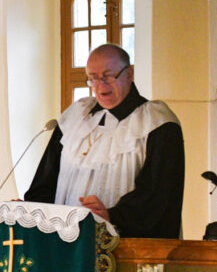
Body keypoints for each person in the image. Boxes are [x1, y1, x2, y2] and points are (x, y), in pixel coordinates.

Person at [24, 43, 185, 239]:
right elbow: (46, 181)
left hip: (125, 245)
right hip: (65, 243)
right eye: (92, 78)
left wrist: (112, 216)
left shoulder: (156, 122)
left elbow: (161, 195)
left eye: (108, 76)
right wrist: (27, 212)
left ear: (129, 73)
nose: (100, 85)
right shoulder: (74, 117)